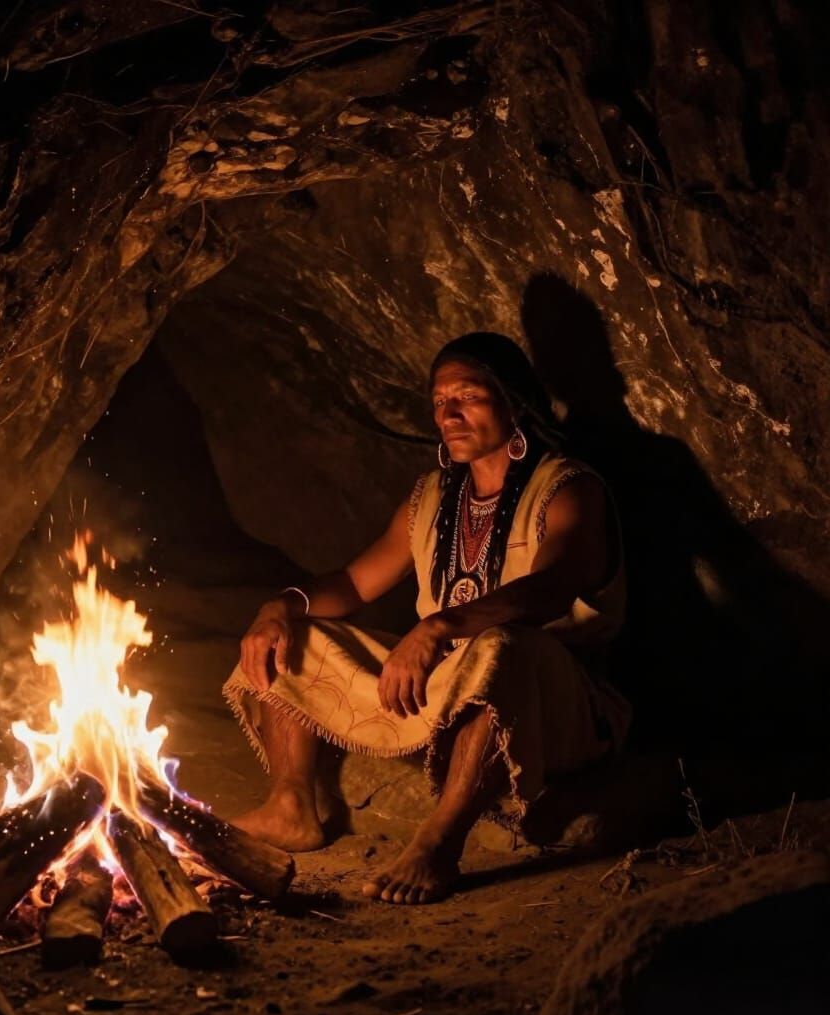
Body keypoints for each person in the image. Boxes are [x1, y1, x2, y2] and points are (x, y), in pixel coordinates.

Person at [223, 332, 631, 904]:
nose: (450, 414)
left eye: (468, 396)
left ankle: (439, 842)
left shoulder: (569, 489)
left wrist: (438, 627)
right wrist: (279, 607)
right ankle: (292, 805)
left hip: (555, 700)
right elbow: (351, 584)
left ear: (514, 402)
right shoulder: (431, 497)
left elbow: (552, 590)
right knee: (295, 637)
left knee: (503, 646)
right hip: (443, 685)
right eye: (440, 402)